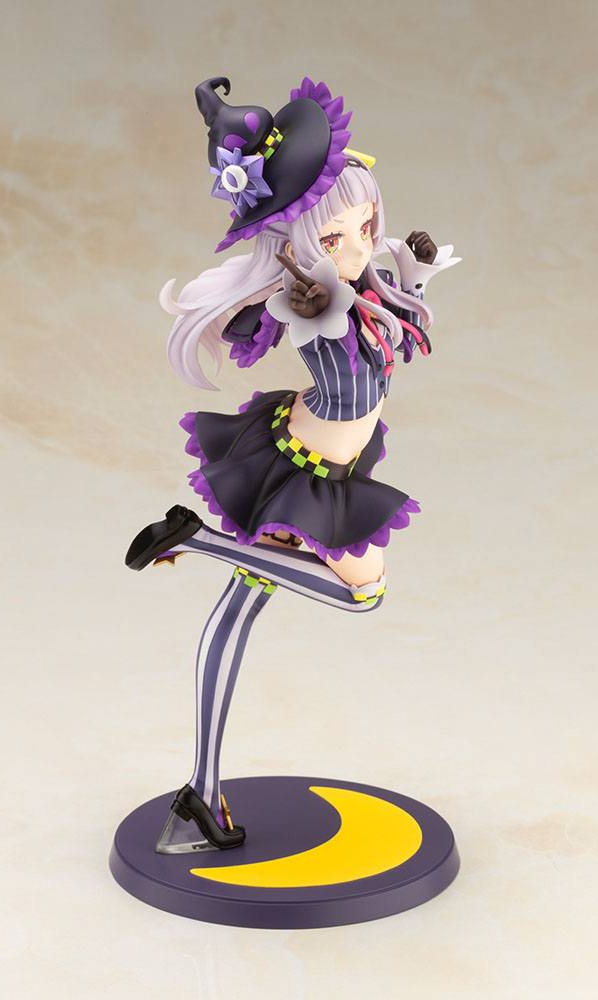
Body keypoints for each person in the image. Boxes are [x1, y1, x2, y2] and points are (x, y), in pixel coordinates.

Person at [125, 75, 461, 853]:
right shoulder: (314, 301)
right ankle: (199, 539)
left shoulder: (360, 289)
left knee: (241, 606)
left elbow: (396, 330)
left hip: (306, 454)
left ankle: (199, 796)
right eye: (335, 238)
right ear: (299, 248)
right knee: (361, 595)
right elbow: (319, 318)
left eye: (364, 225)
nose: (357, 246)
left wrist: (410, 276)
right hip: (310, 473)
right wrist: (309, 299)